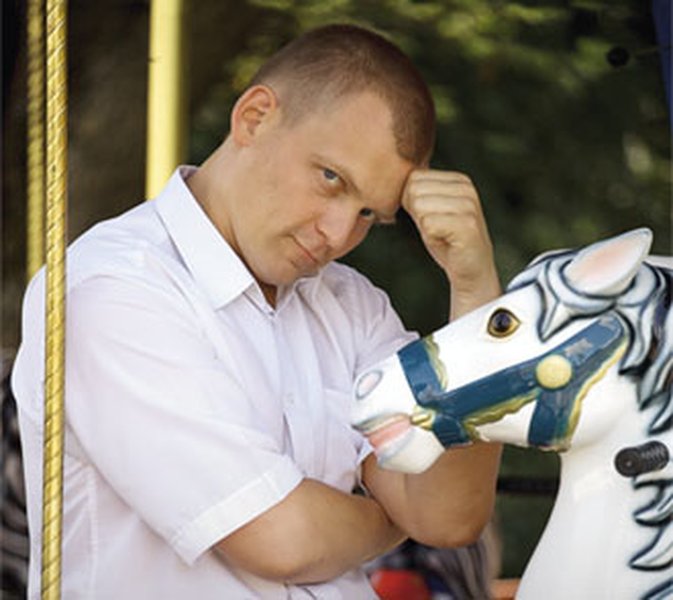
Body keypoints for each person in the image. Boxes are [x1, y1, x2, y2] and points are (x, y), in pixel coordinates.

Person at [12, 23, 502, 598]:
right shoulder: (114, 288)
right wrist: (390, 520)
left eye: (369, 214)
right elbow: (282, 539)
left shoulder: (355, 306)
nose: (339, 233)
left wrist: (476, 297)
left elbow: (446, 515)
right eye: (331, 179)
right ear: (254, 117)